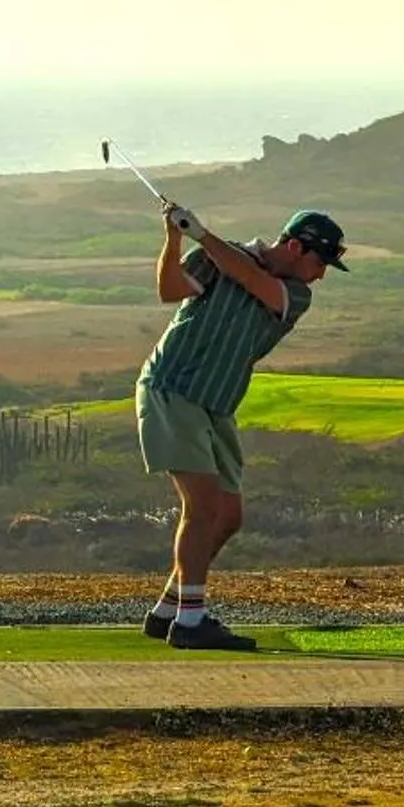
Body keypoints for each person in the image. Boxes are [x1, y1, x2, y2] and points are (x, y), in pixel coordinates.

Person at [135, 199, 347, 650]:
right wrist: (176, 238)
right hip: (173, 387)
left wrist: (202, 235)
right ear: (293, 245)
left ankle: (170, 608)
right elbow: (171, 289)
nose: (321, 274)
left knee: (227, 516)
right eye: (319, 261)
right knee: (203, 505)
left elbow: (253, 279)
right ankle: (191, 622)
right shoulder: (216, 255)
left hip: (216, 402)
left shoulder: (296, 294)